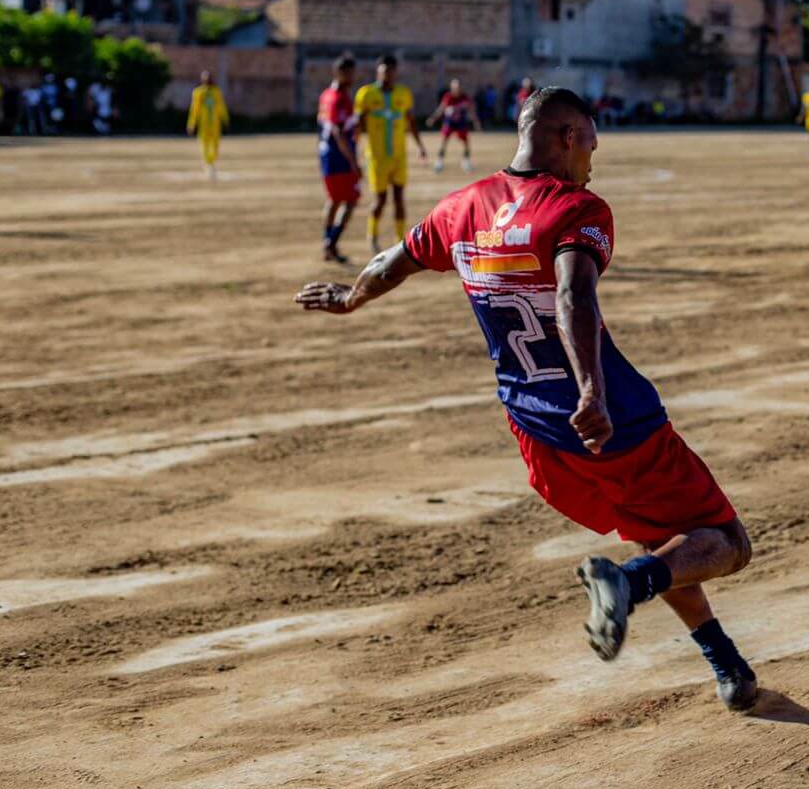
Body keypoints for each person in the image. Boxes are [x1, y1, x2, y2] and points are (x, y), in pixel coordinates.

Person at [294, 86, 757, 710]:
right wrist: (592, 390)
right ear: (567, 137)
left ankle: (726, 664)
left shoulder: (462, 208)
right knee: (725, 543)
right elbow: (573, 297)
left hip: (535, 430)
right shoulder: (575, 207)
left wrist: (350, 297)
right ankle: (627, 585)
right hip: (611, 422)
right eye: (590, 144)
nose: (592, 160)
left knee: (660, 538)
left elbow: (390, 263)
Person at [354, 55, 427, 251]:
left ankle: (399, 241)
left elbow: (410, 121)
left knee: (399, 198)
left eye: (391, 71)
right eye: (384, 71)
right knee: (380, 199)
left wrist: (420, 146)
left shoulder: (404, 94)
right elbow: (358, 125)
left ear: (395, 72)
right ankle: (372, 236)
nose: (387, 75)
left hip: (398, 157)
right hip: (377, 158)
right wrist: (355, 149)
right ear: (378, 71)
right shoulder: (366, 94)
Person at [317, 55, 361, 263]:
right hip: (339, 158)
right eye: (348, 73)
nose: (352, 77)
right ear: (338, 73)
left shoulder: (326, 95)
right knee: (351, 200)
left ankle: (329, 244)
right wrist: (353, 161)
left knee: (334, 200)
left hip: (327, 156)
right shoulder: (338, 99)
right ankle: (330, 242)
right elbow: (337, 132)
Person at [430, 77, 481, 174]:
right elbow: (441, 108)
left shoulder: (465, 97)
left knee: (466, 143)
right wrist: (433, 118)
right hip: (449, 122)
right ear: (451, 87)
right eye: (454, 87)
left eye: (457, 87)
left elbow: (471, 111)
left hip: (461, 122)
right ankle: (439, 162)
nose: (456, 89)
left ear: (460, 88)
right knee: (444, 141)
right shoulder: (448, 96)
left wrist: (476, 122)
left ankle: (466, 162)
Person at [187, 70, 230, 179]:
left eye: (209, 78)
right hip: (204, 124)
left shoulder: (217, 92)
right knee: (204, 144)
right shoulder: (198, 93)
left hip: (215, 124)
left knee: (215, 145)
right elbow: (194, 109)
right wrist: (192, 124)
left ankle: (211, 162)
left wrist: (225, 119)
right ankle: (208, 164)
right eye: (205, 78)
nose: (207, 80)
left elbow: (221, 107)